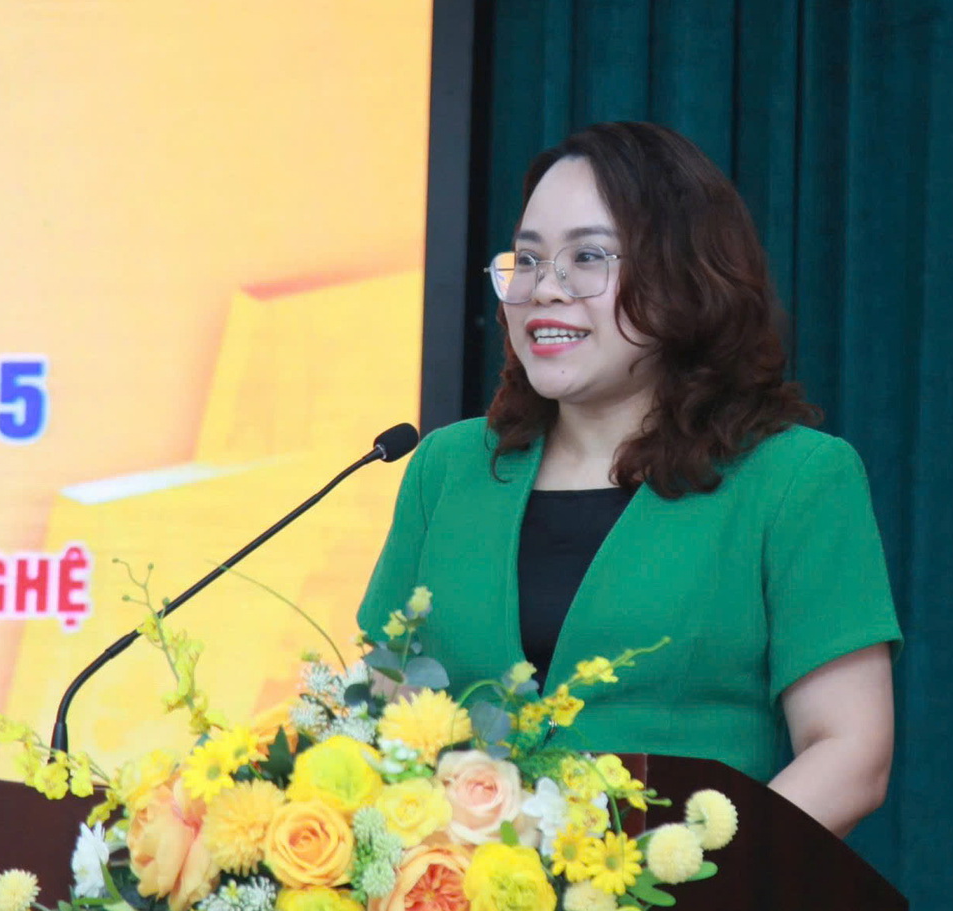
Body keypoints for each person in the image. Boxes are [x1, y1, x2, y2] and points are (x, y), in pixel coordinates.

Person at [358, 121, 901, 837]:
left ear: (684, 275)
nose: (544, 289)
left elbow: (850, 752)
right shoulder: (448, 467)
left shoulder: (793, 479)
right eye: (527, 260)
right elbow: (379, 712)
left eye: (586, 257)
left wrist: (701, 875)